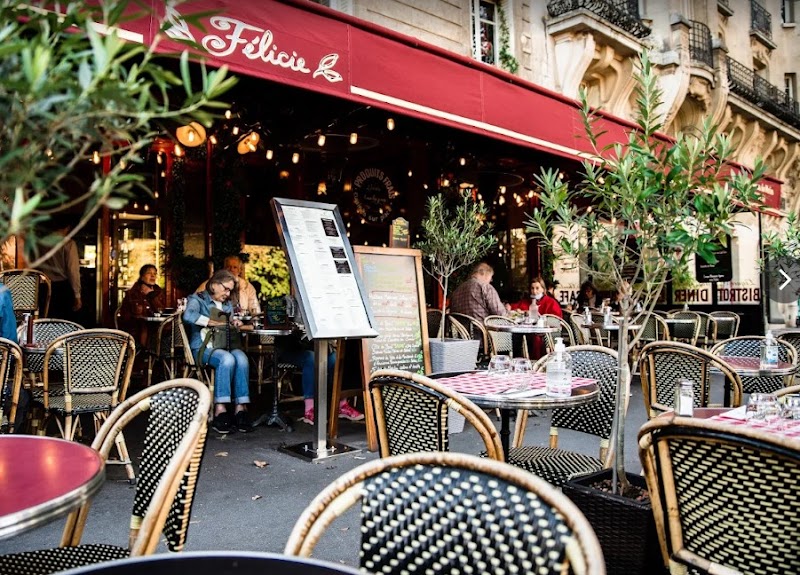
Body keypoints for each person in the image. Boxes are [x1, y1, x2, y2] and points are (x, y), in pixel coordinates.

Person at [183, 269, 253, 434]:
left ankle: (240, 409)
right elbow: (188, 315)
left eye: (230, 290)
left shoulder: (228, 304)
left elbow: (228, 322)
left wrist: (234, 321)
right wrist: (212, 322)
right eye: (226, 289)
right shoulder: (198, 299)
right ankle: (220, 409)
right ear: (214, 284)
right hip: (202, 348)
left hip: (224, 345)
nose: (228, 294)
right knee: (227, 359)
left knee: (241, 358)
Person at [36, 218, 81, 322]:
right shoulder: (68, 243)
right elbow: (72, 270)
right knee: (63, 324)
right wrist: (77, 295)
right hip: (62, 288)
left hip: (44, 286)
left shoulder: (41, 243)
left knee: (46, 322)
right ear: (67, 228)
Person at [509, 277, 562, 359]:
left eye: (537, 288)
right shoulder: (526, 301)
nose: (534, 291)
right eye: (532, 288)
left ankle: (535, 361)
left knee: (535, 338)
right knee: (515, 336)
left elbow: (557, 320)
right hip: (526, 331)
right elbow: (514, 308)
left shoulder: (551, 302)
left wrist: (542, 319)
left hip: (545, 334)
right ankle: (517, 360)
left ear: (543, 289)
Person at [118, 264, 166, 347]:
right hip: (135, 328)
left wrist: (152, 295)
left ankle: (156, 356)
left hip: (156, 327)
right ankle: (144, 354)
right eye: (149, 273)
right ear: (142, 276)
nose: (152, 276)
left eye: (155, 274)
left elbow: (162, 310)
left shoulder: (158, 291)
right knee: (144, 326)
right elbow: (127, 315)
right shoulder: (133, 293)